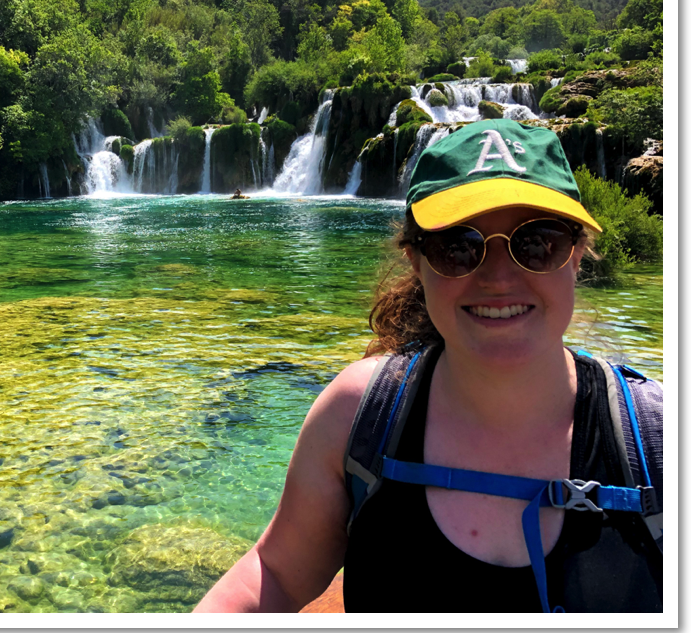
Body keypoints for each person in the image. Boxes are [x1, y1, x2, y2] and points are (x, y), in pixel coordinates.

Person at [194, 119, 662, 613]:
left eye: (537, 242)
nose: (498, 277)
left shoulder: (656, 439)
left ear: (577, 254)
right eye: (458, 246)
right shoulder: (357, 417)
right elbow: (277, 574)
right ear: (417, 261)